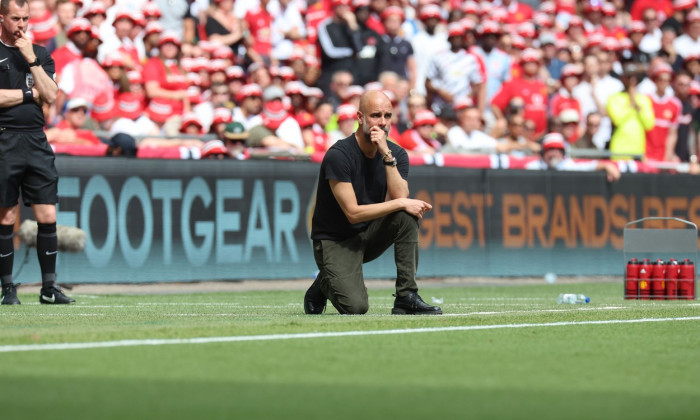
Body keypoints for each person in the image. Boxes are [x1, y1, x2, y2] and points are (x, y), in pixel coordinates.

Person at [303, 90, 441, 315]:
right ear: (360, 118)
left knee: (406, 216)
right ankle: (322, 283)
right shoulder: (339, 154)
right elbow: (353, 213)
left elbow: (400, 196)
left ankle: (406, 296)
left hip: (367, 235)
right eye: (376, 115)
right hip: (335, 241)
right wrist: (400, 204)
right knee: (356, 307)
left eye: (388, 116)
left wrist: (386, 153)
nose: (383, 122)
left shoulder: (395, 154)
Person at [0, 0, 74, 305]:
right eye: (15, 18)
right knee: (6, 215)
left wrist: (31, 61)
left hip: (36, 140)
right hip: (4, 140)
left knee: (47, 213)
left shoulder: (40, 53)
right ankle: (8, 288)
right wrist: (30, 94)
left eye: (26, 18)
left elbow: (52, 95)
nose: (22, 24)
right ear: (1, 18)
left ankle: (48, 288)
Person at [526, 133, 622, 182]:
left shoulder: (568, 165)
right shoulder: (533, 167)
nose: (555, 153)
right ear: (544, 152)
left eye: (558, 150)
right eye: (551, 149)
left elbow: (590, 165)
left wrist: (607, 166)